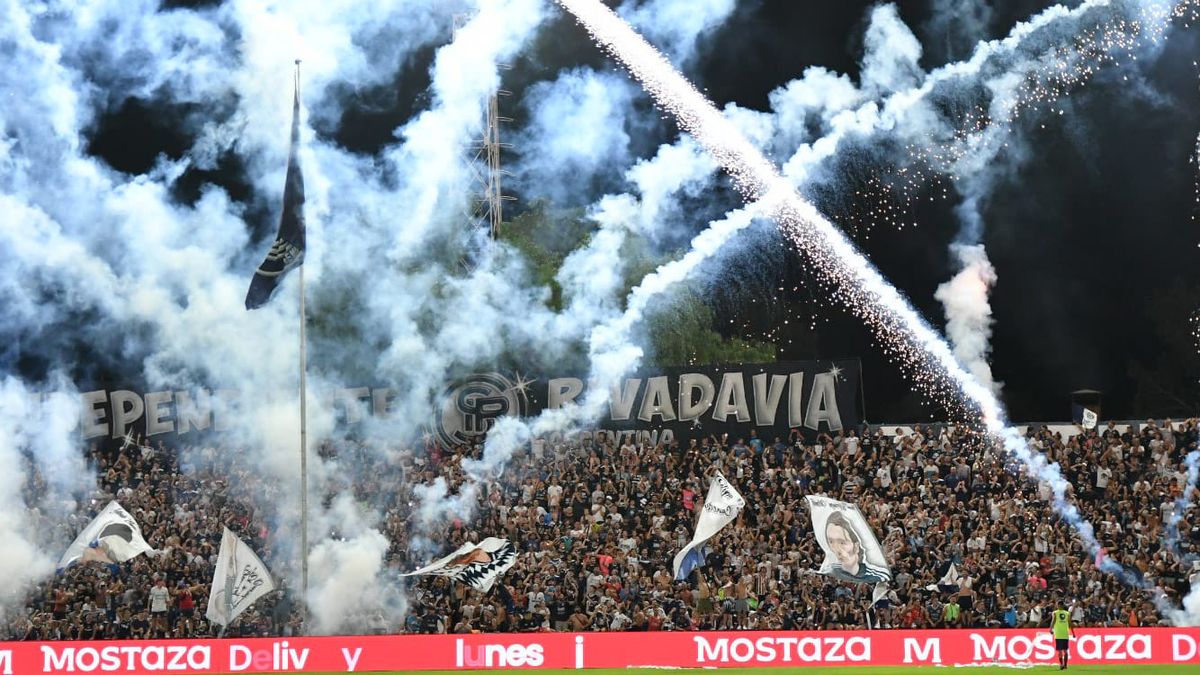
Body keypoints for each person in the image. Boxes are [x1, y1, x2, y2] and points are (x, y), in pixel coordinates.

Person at [824, 511, 891, 584]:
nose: (836, 549)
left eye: (842, 542)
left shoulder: (875, 575)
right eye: (831, 542)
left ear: (856, 546)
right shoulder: (830, 570)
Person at [1049, 599, 1075, 670]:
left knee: (1060, 651)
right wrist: (1073, 633)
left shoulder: (1055, 613)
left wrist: (1050, 629)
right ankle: (1065, 665)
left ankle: (1061, 664)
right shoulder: (1067, 613)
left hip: (1058, 634)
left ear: (1058, 605)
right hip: (1065, 634)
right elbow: (1070, 624)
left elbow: (1053, 621)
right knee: (1065, 650)